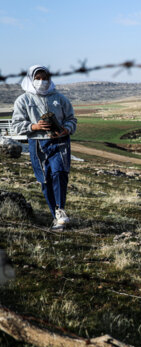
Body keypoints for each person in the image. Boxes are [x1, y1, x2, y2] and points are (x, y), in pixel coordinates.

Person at [11, 65, 77, 230]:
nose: (42, 82)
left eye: (45, 78)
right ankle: (55, 216)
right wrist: (34, 127)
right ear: (31, 79)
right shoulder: (23, 100)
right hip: (38, 144)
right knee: (45, 179)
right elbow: (16, 125)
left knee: (60, 173)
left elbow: (71, 119)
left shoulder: (60, 98)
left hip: (60, 141)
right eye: (38, 78)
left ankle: (61, 210)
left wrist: (66, 128)